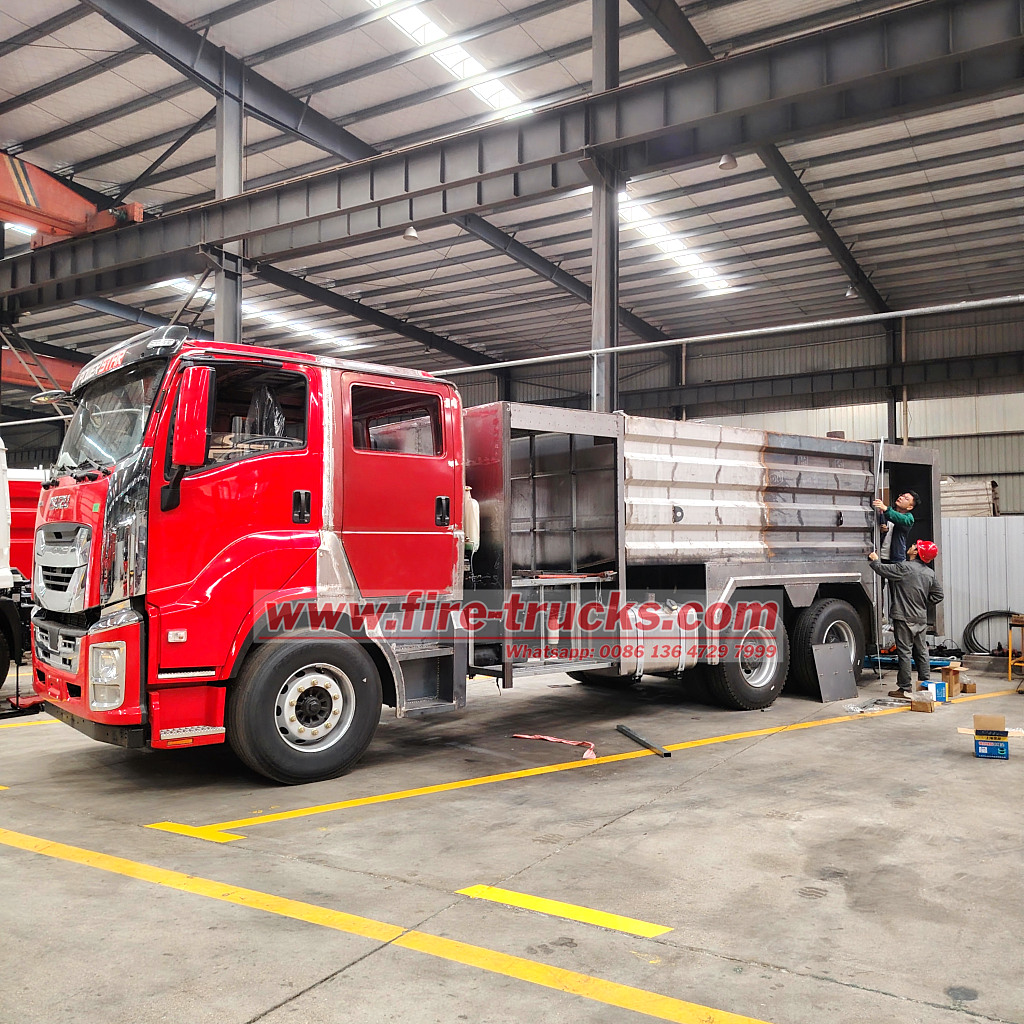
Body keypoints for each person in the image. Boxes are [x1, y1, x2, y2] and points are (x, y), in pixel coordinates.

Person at [867, 540, 942, 698]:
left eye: (915, 545)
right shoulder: (930, 573)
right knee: (921, 652)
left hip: (903, 617)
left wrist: (874, 560)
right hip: (920, 618)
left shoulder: (904, 567)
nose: (912, 545)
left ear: (916, 553)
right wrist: (922, 603)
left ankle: (905, 688)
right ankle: (925, 685)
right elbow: (938, 595)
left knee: (905, 653)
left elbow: (883, 569)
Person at [872, 490, 919, 563]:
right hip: (880, 554)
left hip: (896, 558)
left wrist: (886, 509)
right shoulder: (888, 512)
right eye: (902, 495)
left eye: (906, 499)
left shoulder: (909, 518)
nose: (901, 498)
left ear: (910, 507)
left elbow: (899, 518)